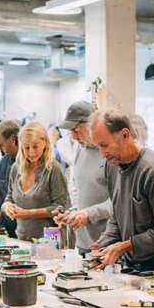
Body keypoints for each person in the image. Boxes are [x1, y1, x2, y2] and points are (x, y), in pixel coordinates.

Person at [90, 109, 154, 272]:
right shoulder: (112, 166)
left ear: (125, 135)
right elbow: (117, 217)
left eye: (104, 145)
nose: (102, 154)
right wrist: (104, 245)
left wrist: (124, 246)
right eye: (98, 147)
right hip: (132, 266)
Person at [54, 101, 112, 255]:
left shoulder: (110, 155)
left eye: (76, 130)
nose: (73, 137)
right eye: (70, 132)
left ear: (93, 124)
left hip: (108, 245)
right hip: (83, 243)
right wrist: (72, 214)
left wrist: (88, 214)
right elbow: (82, 197)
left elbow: (119, 202)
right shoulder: (81, 149)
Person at [1, 123, 70, 243]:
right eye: (26, 147)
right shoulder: (16, 168)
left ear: (45, 143)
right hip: (23, 237)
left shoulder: (53, 169)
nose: (31, 152)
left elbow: (60, 207)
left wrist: (26, 213)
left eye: (35, 146)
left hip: (50, 241)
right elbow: (9, 197)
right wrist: (7, 206)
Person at [0, 120, 20, 237]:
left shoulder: (28, 163)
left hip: (25, 226)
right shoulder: (3, 162)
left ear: (13, 139)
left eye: (2, 145)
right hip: (7, 226)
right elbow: (3, 194)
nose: (1, 149)